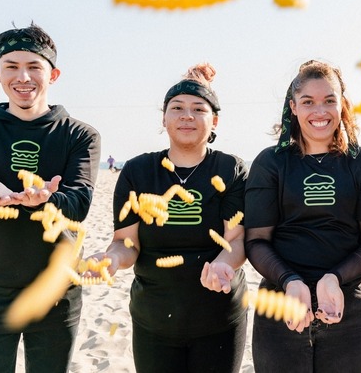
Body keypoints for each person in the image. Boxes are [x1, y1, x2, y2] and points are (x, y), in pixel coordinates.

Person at [0, 23, 101, 373]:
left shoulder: (79, 135)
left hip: (56, 292)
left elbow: (78, 203)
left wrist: (44, 201)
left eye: (34, 67)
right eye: (12, 67)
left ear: (54, 74)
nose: (23, 77)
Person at [85, 63, 248, 373]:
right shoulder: (138, 171)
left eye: (198, 109)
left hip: (219, 317)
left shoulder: (230, 169)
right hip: (153, 319)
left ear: (214, 121)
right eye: (177, 108)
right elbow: (125, 243)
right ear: (164, 118)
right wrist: (111, 260)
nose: (187, 115)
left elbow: (236, 239)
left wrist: (223, 265)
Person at [244, 60, 361, 372]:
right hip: (281, 309)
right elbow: (256, 241)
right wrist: (290, 280)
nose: (319, 111)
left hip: (351, 310)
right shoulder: (271, 163)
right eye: (308, 102)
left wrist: (334, 278)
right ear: (293, 107)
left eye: (329, 100)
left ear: (343, 105)